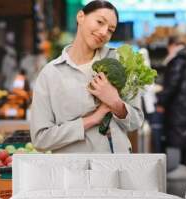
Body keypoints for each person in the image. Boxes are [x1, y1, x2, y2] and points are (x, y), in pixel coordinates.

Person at [30, 0, 144, 153]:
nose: (104, 32)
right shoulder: (50, 74)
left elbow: (136, 122)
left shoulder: (122, 62)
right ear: (80, 16)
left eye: (110, 30)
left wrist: (115, 103)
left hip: (115, 168)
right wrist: (91, 120)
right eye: (99, 22)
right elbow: (40, 139)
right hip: (72, 171)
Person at [156, 34, 186, 180]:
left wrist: (161, 101)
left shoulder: (178, 60)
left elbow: (171, 85)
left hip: (180, 105)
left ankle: (185, 167)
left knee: (183, 133)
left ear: (173, 45)